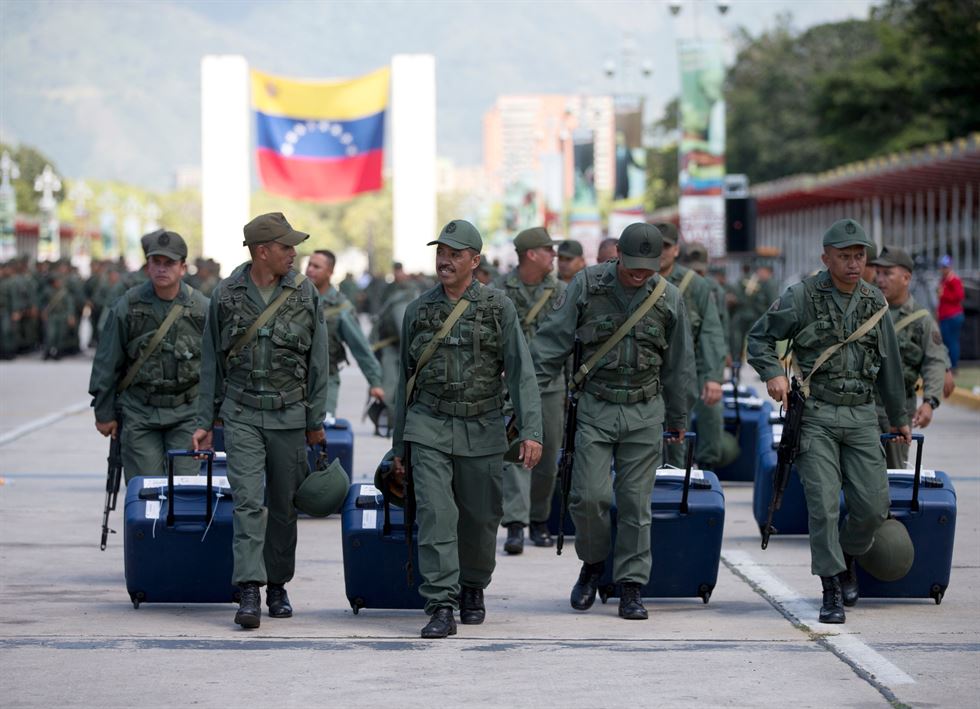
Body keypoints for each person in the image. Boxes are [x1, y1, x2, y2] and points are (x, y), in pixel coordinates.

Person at [747, 218, 911, 625]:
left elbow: (890, 367)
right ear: (826, 258)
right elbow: (759, 338)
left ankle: (847, 555)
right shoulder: (801, 297)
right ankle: (831, 586)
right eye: (845, 257)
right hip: (816, 413)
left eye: (860, 257)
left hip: (860, 416)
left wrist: (899, 418)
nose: (854, 264)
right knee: (822, 504)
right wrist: (772, 372)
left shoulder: (875, 302)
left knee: (873, 508)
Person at [530, 223, 696, 621]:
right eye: (632, 265)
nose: (638, 275)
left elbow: (679, 365)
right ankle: (593, 564)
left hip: (644, 409)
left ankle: (631, 585)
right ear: (617, 252)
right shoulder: (588, 284)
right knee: (588, 497)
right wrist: (525, 397)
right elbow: (552, 342)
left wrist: (677, 418)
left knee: (637, 504)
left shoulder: (669, 298)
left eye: (647, 268)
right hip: (595, 406)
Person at [391, 219, 543, 639]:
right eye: (441, 252)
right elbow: (404, 383)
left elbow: (520, 373)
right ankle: (440, 602)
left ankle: (473, 585)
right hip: (429, 424)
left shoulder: (498, 308)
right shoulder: (418, 311)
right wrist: (398, 448)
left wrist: (531, 430)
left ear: (474, 261)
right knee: (437, 514)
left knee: (480, 518)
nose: (445, 260)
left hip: (482, 426)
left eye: (455, 254)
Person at [191, 212, 328, 630]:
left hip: (289, 415)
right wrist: (204, 419)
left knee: (284, 506)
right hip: (242, 413)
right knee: (249, 501)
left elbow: (317, 358)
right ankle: (249, 587)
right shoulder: (226, 294)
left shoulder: (304, 293)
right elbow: (212, 360)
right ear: (262, 251)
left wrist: (315, 419)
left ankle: (278, 584)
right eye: (286, 247)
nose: (294, 253)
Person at [88, 230, 208, 482]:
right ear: (148, 266)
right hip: (140, 411)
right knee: (147, 490)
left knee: (184, 490)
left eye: (169, 263)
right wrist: (104, 412)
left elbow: (216, 366)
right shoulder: (128, 306)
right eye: (156, 262)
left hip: (186, 412)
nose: (162, 269)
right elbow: (107, 360)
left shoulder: (202, 308)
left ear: (183, 268)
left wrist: (211, 419)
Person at [492, 226, 565, 554]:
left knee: (547, 457)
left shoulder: (563, 291)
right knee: (514, 453)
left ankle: (539, 520)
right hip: (510, 386)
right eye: (549, 249)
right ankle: (516, 524)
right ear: (532, 254)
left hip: (550, 386)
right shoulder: (499, 291)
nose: (554, 255)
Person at [654, 223, 727, 472]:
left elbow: (710, 331)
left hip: (683, 372)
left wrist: (713, 377)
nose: (660, 251)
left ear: (675, 250)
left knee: (677, 439)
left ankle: (674, 491)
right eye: (656, 246)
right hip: (643, 370)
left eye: (665, 246)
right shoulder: (635, 278)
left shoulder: (696, 285)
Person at [872, 246, 951, 468]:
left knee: (895, 471)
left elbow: (934, 360)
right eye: (877, 273)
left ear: (906, 278)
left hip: (898, 409)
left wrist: (929, 402)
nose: (880, 279)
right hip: (864, 405)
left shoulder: (921, 320)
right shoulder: (867, 310)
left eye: (887, 274)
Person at [305, 249, 384, 422]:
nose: (310, 269)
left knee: (322, 433)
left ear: (330, 272)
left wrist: (375, 382)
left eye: (316, 266)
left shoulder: (341, 308)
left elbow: (360, 348)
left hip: (325, 382)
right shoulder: (294, 299)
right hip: (293, 382)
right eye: (309, 265)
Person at [937, 254, 965, 373]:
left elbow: (959, 296)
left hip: (953, 315)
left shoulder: (954, 280)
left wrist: (944, 295)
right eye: (942, 267)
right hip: (945, 315)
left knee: (952, 341)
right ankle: (948, 365)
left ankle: (953, 366)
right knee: (947, 342)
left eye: (945, 267)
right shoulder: (944, 280)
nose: (943, 269)